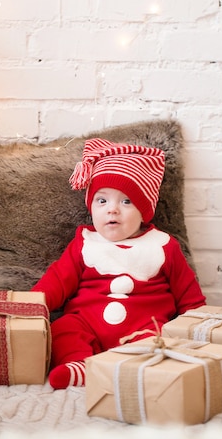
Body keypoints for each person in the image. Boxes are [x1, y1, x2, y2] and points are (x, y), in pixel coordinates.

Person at [31, 137, 206, 389]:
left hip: (143, 327)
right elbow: (56, 283)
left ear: (144, 210)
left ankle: (128, 369)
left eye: (126, 201)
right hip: (87, 322)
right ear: (91, 207)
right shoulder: (84, 242)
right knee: (64, 329)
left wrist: (199, 331)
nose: (112, 210)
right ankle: (80, 366)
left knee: (157, 340)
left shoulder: (164, 246)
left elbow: (190, 299)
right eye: (102, 201)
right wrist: (27, 307)